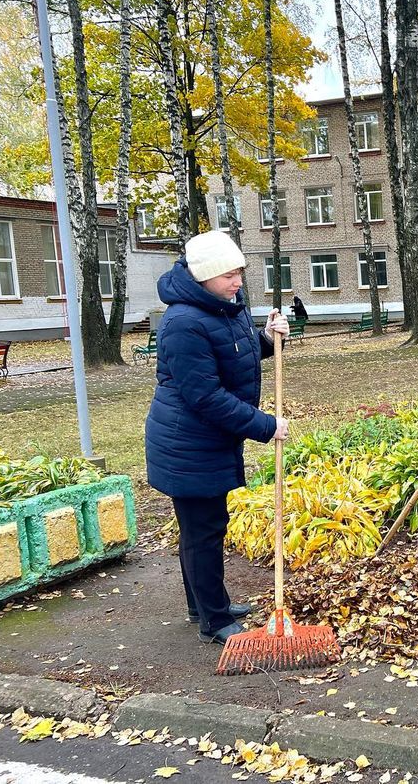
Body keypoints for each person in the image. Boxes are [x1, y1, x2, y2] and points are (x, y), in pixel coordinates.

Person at [145, 230, 290, 645]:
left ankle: (203, 604)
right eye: (229, 274)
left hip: (207, 441)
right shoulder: (183, 322)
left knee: (204, 528)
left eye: (239, 272)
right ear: (205, 276)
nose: (238, 281)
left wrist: (266, 337)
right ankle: (214, 618)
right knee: (203, 530)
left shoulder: (224, 308)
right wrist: (265, 425)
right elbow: (205, 396)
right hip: (185, 444)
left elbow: (234, 358)